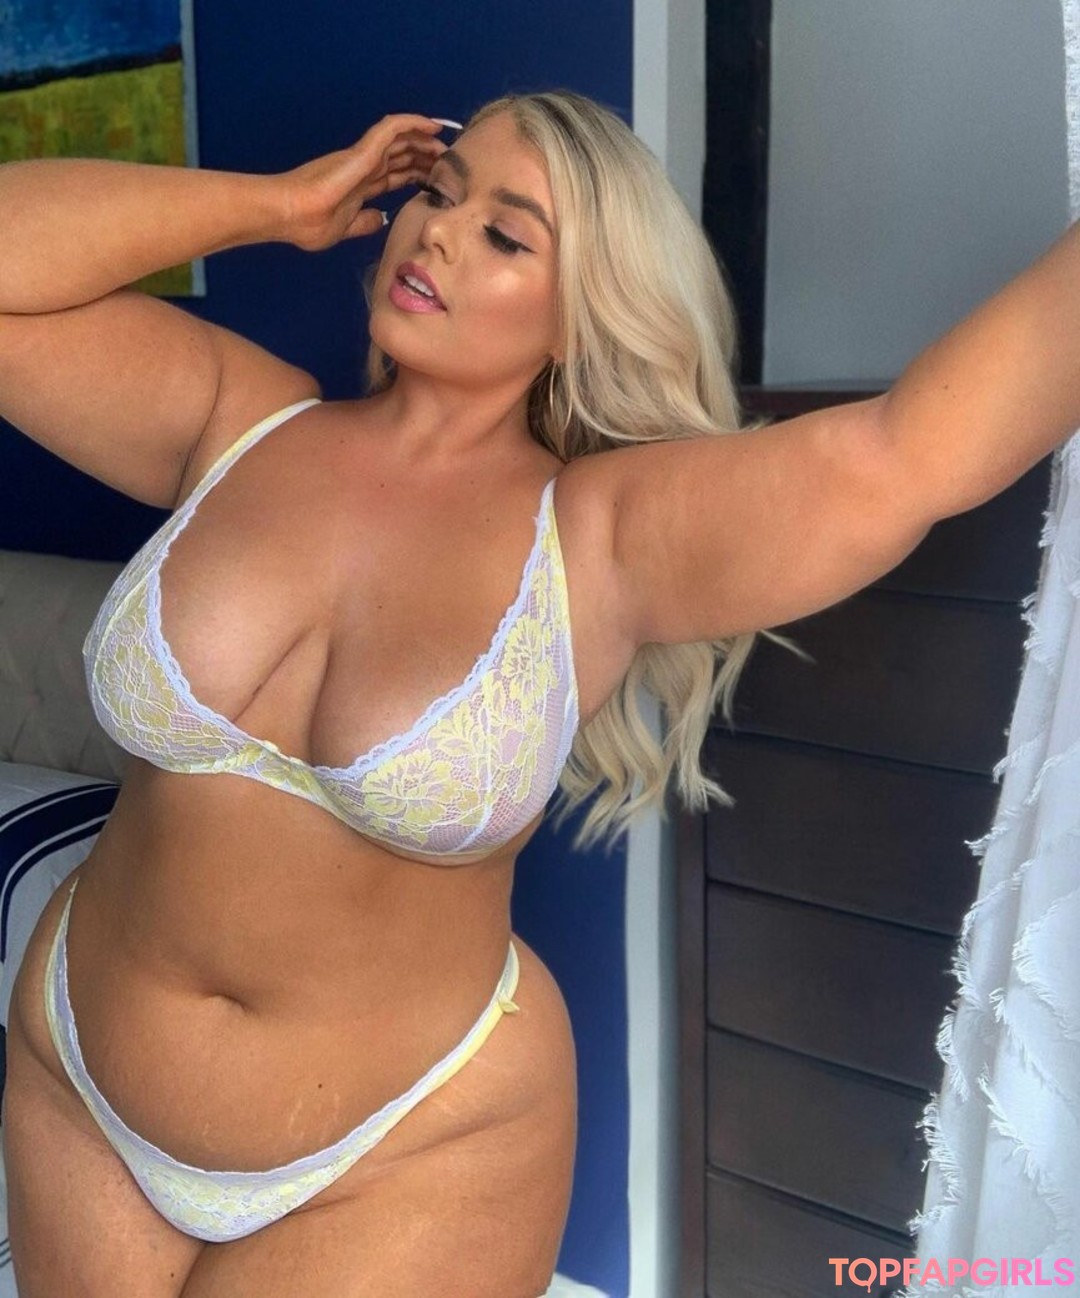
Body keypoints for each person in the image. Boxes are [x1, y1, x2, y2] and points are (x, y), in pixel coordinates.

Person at [0, 88, 1075, 1297]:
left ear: (579, 316)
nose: (438, 233)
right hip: (80, 1071)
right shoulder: (233, 417)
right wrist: (277, 204)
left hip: (402, 1150)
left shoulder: (599, 539)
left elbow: (902, 454)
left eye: (506, 234)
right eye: (438, 193)